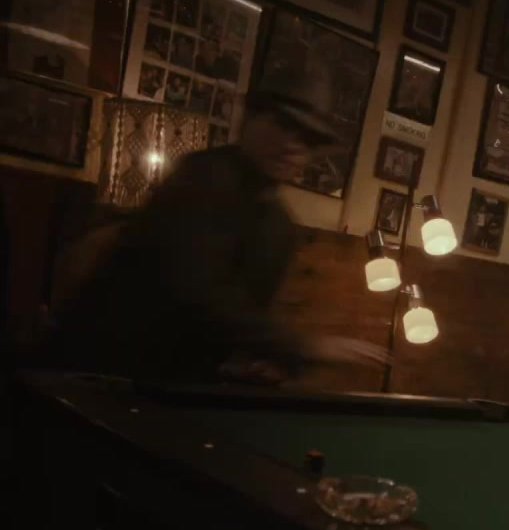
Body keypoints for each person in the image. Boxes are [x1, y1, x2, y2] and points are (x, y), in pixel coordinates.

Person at [45, 87, 388, 385]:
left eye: (308, 140)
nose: (292, 146)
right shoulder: (202, 176)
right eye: (284, 125)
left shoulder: (279, 226)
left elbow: (243, 324)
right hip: (97, 371)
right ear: (249, 120)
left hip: (175, 386)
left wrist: (262, 361)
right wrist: (300, 347)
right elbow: (195, 292)